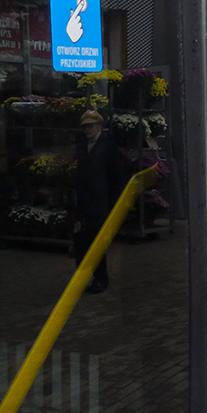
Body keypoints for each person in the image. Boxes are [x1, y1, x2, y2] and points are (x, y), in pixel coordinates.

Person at [73, 110, 127, 293]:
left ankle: (100, 278)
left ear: (99, 126)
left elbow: (116, 177)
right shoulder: (84, 146)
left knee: (97, 243)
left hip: (101, 204)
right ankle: (89, 276)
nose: (88, 129)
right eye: (85, 126)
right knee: (83, 241)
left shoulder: (107, 147)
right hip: (85, 202)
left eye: (91, 126)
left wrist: (113, 204)